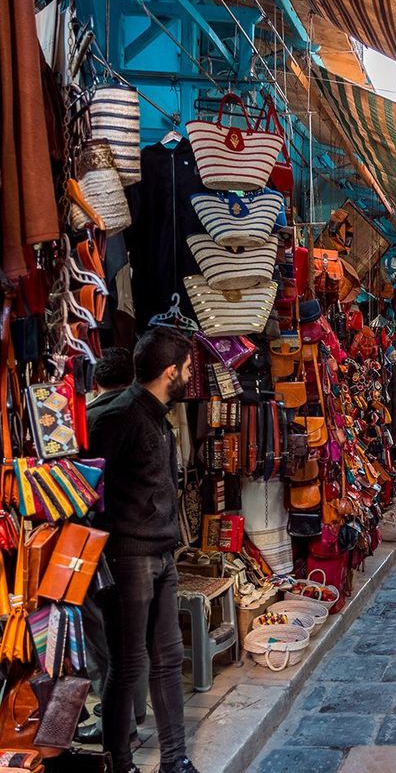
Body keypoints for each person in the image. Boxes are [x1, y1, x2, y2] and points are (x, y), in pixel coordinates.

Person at [87, 328, 200, 773]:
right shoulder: (118, 417)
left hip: (160, 553)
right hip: (128, 557)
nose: (190, 375)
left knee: (167, 660)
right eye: (187, 368)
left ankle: (175, 759)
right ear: (170, 372)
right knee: (128, 664)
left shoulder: (155, 415)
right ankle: (121, 763)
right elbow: (87, 487)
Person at [77, 348, 144, 746]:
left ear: (96, 381)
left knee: (102, 636)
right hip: (140, 542)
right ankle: (134, 711)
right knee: (132, 633)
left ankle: (117, 722)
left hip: (101, 542)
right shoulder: (149, 416)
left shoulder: (92, 421)